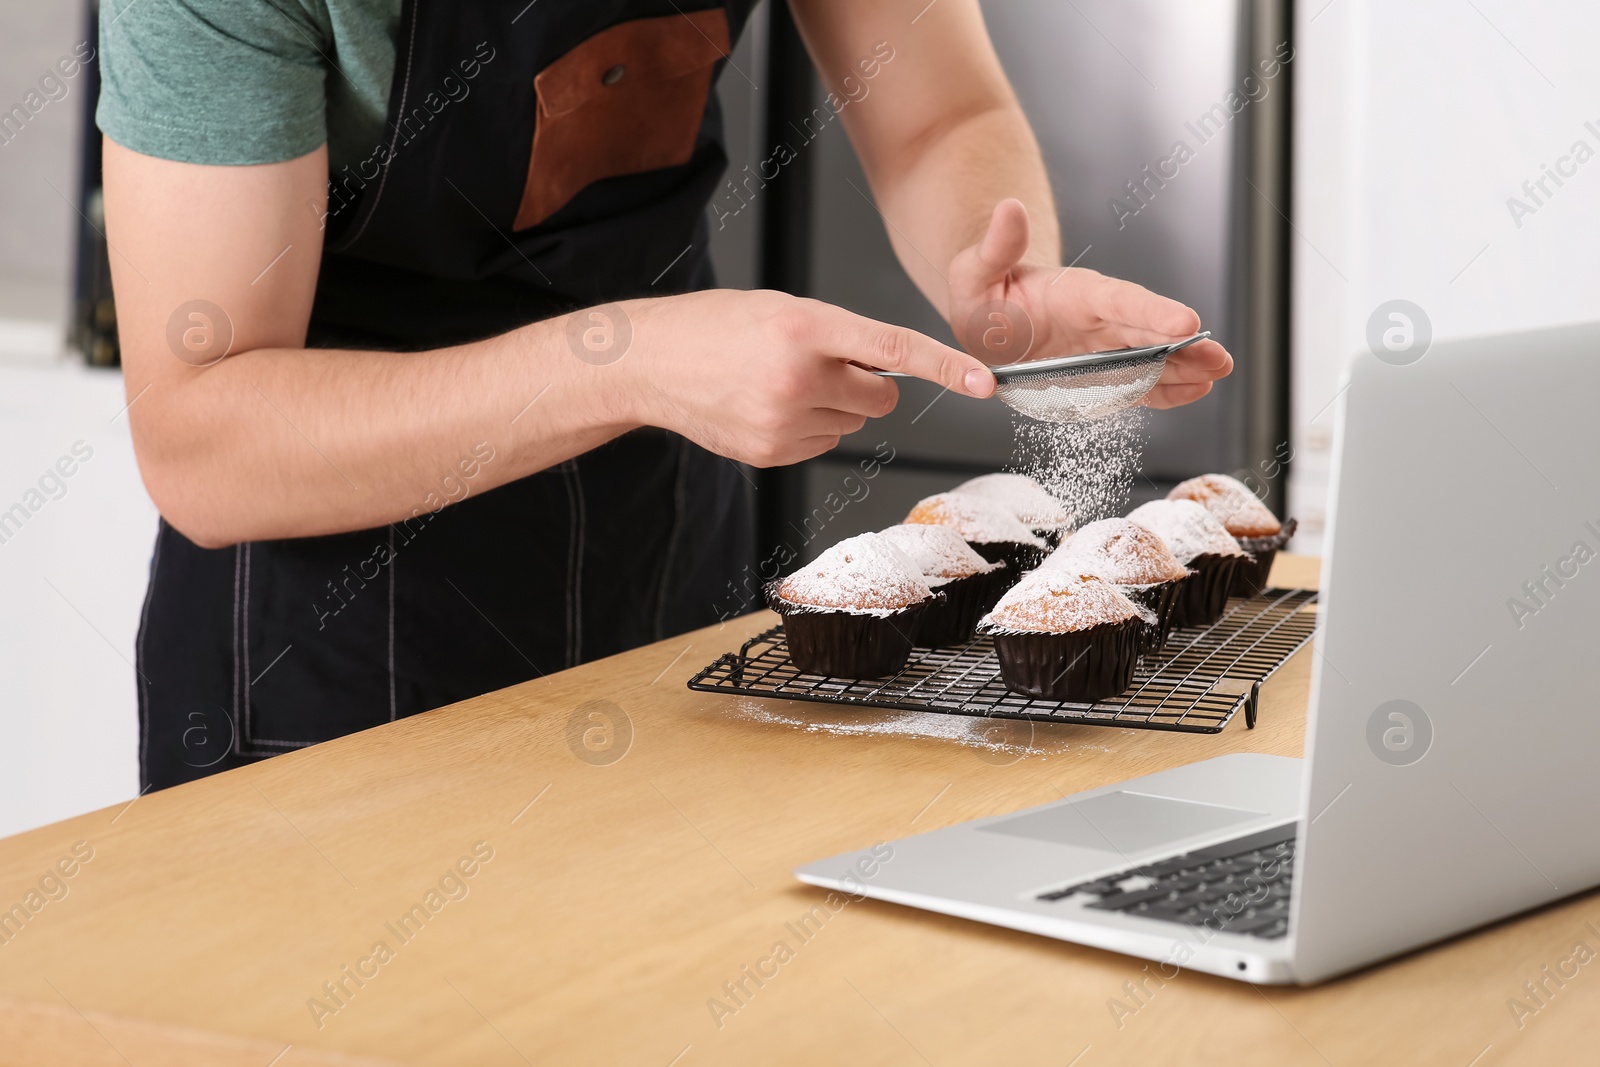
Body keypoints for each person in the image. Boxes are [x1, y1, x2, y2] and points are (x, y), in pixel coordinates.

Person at [98, 0, 1233, 789]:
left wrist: (996, 277)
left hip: (660, 565)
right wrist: (629, 362)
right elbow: (203, 439)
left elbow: (940, 114)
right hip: (337, 645)